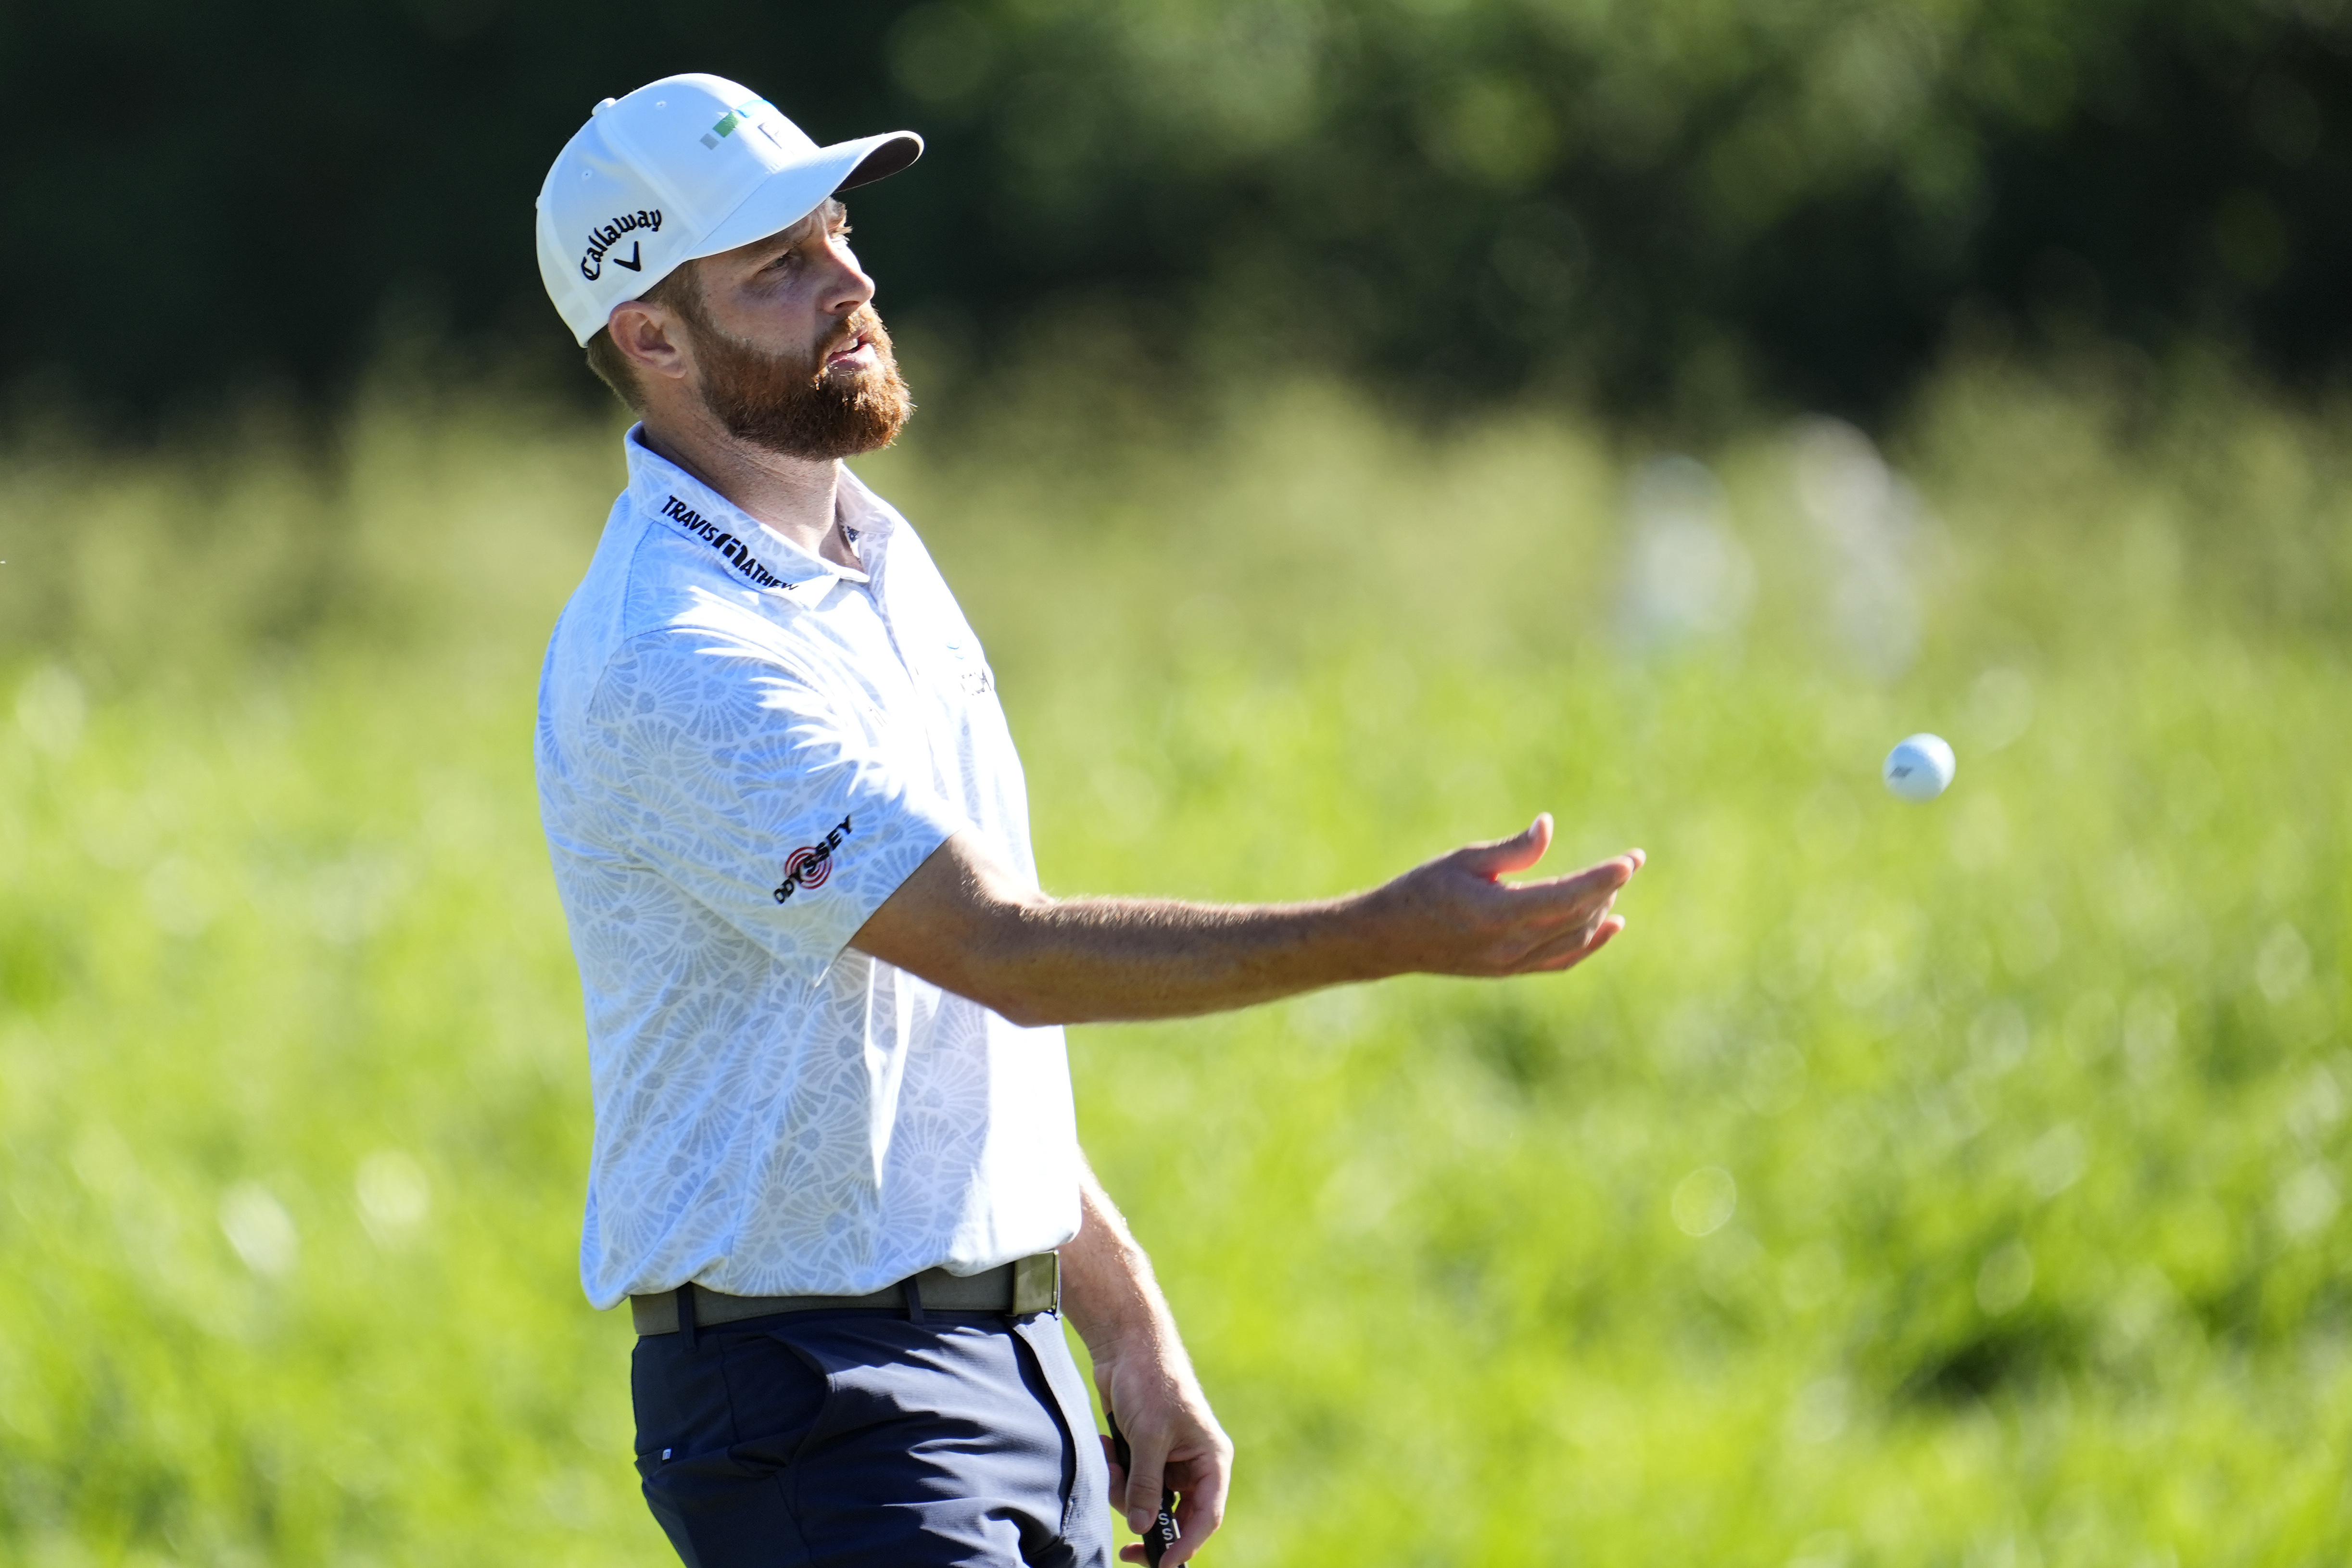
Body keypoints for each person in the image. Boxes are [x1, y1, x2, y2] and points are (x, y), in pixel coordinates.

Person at [531, 72, 1643, 1568]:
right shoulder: (673, 652)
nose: (852, 282)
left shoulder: (873, 550)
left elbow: (946, 1039)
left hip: (999, 1372)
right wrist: (1384, 935)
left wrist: (1115, 1316)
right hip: (820, 1403)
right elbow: (1000, 949)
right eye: (776, 267)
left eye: (837, 232)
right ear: (653, 337)